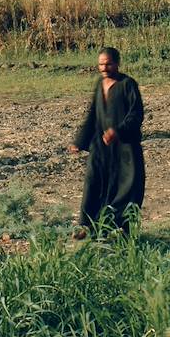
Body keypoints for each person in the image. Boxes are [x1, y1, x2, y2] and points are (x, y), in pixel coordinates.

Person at [68, 47, 145, 237]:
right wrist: (80, 140)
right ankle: (86, 226)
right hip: (100, 147)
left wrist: (117, 131)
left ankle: (120, 228)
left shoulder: (128, 84)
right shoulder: (99, 85)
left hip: (125, 148)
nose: (104, 68)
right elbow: (93, 115)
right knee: (93, 182)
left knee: (126, 186)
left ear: (118, 63)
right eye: (101, 64)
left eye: (108, 63)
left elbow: (136, 115)